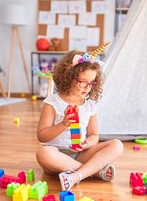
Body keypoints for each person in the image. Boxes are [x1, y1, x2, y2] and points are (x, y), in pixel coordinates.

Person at [36, 47, 124, 191]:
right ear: (68, 76)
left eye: (92, 82)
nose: (88, 87)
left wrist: (87, 143)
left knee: (117, 145)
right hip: (57, 155)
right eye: (83, 82)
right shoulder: (52, 102)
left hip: (80, 154)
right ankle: (94, 171)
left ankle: (76, 175)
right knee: (43, 153)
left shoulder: (89, 106)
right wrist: (63, 124)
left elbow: (94, 135)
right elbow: (42, 136)